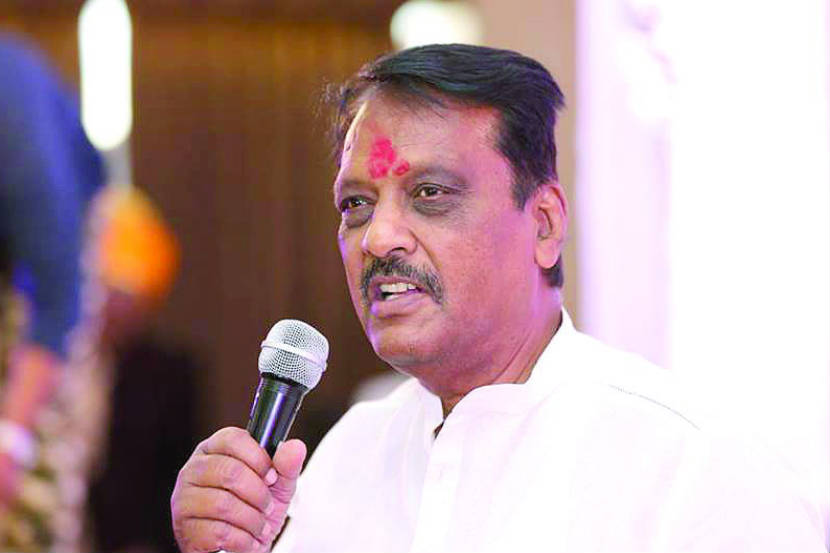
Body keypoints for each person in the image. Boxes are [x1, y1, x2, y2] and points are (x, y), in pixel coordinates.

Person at [170, 44, 826, 552]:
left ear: (543, 225)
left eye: (430, 193)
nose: (378, 237)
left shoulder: (695, 467)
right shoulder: (346, 457)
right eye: (357, 204)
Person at [0, 33, 103, 550]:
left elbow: (57, 296)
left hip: (49, 269)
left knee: (29, 490)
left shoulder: (16, 116)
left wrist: (11, 440)